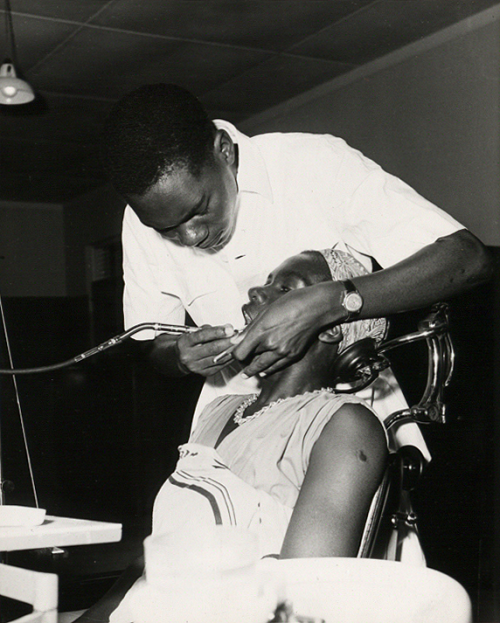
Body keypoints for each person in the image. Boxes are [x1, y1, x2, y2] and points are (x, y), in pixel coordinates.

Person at [100, 83, 492, 436]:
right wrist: (180, 357)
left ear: (224, 150)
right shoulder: (141, 222)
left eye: (198, 210)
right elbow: (152, 346)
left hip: (347, 419)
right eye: (167, 229)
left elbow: (468, 258)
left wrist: (330, 302)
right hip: (231, 423)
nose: (190, 237)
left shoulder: (312, 162)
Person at [77, 248, 390, 623]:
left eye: (285, 287)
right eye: (268, 280)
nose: (257, 290)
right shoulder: (219, 409)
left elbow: (302, 601)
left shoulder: (345, 426)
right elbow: (153, 565)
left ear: (330, 326)